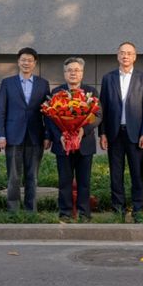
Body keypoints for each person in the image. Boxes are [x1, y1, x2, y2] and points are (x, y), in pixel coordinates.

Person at [99, 42, 143, 221]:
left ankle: (138, 209)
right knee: (116, 174)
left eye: (129, 53)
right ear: (117, 56)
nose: (125, 56)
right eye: (122, 53)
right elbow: (102, 108)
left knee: (137, 173)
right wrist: (102, 133)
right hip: (114, 133)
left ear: (135, 57)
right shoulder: (108, 78)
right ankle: (118, 210)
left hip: (136, 135)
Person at [46, 57, 102, 221]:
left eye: (76, 70)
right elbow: (49, 118)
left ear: (82, 73)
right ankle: (65, 213)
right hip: (63, 144)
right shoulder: (56, 92)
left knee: (84, 181)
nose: (73, 73)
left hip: (85, 143)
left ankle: (84, 213)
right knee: (64, 181)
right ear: (64, 73)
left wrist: (83, 131)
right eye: (69, 70)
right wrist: (60, 136)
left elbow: (98, 116)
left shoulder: (91, 92)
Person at [0, 47, 51, 212]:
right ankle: (13, 210)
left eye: (30, 60)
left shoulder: (43, 84)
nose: (26, 63)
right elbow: (1, 110)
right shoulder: (7, 83)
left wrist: (47, 135)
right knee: (13, 176)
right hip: (13, 135)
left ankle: (31, 210)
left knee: (32, 176)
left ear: (35, 63)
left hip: (35, 135)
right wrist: (0, 134)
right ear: (18, 62)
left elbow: (48, 112)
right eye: (23, 60)